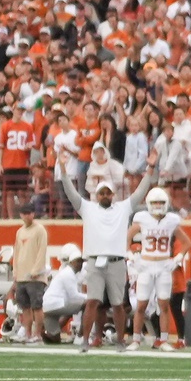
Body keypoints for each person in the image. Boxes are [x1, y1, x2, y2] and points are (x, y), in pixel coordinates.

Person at [59, 148, 159, 349]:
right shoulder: (87, 208)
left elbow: (140, 192)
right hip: (95, 261)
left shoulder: (123, 208)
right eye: (102, 193)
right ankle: (85, 340)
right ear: (96, 195)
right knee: (92, 302)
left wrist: (150, 168)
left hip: (116, 261)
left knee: (118, 304)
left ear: (113, 194)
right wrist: (62, 169)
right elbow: (70, 192)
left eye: (108, 192)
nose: (105, 195)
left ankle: (121, 340)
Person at [125, 187, 191, 351]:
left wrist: (177, 259)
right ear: (148, 203)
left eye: (161, 202)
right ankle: (136, 340)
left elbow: (187, 242)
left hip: (163, 266)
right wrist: (132, 256)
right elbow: (126, 237)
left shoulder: (171, 220)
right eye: (154, 202)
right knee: (141, 305)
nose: (158, 205)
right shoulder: (142, 219)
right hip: (146, 265)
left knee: (164, 305)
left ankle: (163, 340)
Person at [12, 203, 48, 344]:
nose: (27, 216)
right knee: (25, 307)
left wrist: (35, 270)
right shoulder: (20, 232)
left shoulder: (40, 230)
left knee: (37, 307)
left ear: (33, 214)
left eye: (30, 213)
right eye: (24, 213)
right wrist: (16, 272)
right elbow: (16, 253)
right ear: (21, 215)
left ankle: (37, 334)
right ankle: (27, 334)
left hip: (35, 277)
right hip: (21, 276)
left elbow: (42, 251)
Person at [42, 244, 87, 343]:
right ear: (73, 262)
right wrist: (90, 297)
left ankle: (48, 333)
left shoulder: (65, 272)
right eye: (79, 262)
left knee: (55, 340)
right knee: (88, 304)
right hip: (57, 304)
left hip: (48, 306)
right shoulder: (68, 274)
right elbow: (74, 296)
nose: (81, 264)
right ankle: (81, 336)